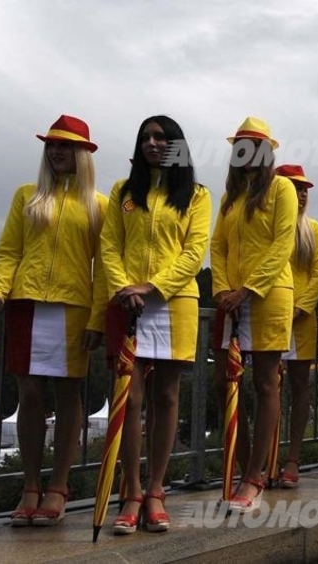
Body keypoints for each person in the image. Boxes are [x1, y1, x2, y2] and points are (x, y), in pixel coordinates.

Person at [0, 115, 106, 527]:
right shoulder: (27, 196)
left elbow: (105, 267)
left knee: (69, 394)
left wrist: (98, 317)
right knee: (30, 393)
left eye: (65, 146)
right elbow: (9, 250)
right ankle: (29, 487)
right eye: (52, 145)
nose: (56, 152)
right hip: (26, 304)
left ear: (82, 154)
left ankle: (58, 486)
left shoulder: (99, 205)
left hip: (74, 307)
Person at [102, 115, 212, 533]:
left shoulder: (197, 196)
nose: (152, 143)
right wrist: (124, 287)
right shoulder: (123, 192)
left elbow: (193, 253)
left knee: (166, 397)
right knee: (129, 399)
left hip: (173, 301)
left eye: (161, 137)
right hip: (127, 302)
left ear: (176, 145)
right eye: (145, 137)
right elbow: (110, 246)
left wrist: (152, 286)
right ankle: (129, 492)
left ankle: (156, 490)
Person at [209, 117, 298, 509]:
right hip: (232, 299)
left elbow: (283, 244)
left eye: (254, 145)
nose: (246, 152)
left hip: (268, 295)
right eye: (240, 146)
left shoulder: (281, 189)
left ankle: (255, 474)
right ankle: (240, 463)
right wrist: (224, 289)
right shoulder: (230, 197)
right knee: (225, 382)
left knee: (265, 383)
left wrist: (247, 289)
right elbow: (218, 247)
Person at [274, 164, 318, 488]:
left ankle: (292, 458)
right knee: (269, 386)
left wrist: (301, 307)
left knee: (299, 387)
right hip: (272, 314)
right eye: (295, 186)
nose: (302, 193)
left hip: (302, 319)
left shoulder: (314, 230)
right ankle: (267, 458)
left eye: (305, 188)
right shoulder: (271, 226)